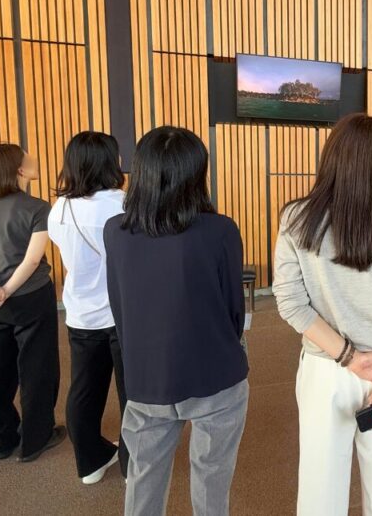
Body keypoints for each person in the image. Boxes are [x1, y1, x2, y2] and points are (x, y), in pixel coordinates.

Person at [272, 113, 372, 516]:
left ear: (331, 160)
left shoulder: (296, 219)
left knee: (320, 493)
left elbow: (291, 302)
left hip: (327, 371)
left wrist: (347, 357)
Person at [104, 126, 248, 516]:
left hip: (147, 380)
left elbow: (119, 306)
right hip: (215, 376)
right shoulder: (220, 230)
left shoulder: (115, 232)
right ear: (196, 175)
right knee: (211, 477)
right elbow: (234, 310)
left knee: (143, 477)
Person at [0, 144, 64, 462]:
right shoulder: (37, 208)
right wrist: (5, 289)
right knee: (37, 369)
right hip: (30, 297)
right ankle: (36, 439)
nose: (33, 158)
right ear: (18, 169)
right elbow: (33, 260)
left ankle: (1, 440)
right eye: (27, 157)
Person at [48, 132, 128, 485]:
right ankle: (133, 466)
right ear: (109, 162)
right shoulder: (122, 203)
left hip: (80, 312)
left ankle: (91, 463)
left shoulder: (60, 208)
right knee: (133, 393)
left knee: (83, 390)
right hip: (122, 313)